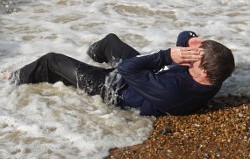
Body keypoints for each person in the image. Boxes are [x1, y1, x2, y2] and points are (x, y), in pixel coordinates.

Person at [3, 31, 235, 116]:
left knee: (51, 61)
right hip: (145, 75)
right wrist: (190, 38)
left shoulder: (173, 92)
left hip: (117, 88)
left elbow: (126, 69)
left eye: (196, 57)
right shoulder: (215, 74)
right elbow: (185, 42)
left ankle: (12, 79)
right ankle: (87, 53)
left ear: (203, 72)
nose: (190, 56)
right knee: (110, 41)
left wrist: (165, 56)